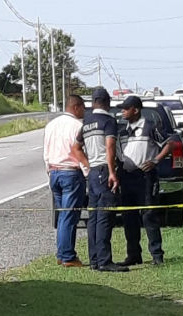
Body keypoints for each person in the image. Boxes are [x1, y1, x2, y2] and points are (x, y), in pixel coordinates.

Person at [116, 96, 175, 266]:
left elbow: (169, 143)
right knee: (129, 218)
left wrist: (155, 160)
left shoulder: (149, 126)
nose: (122, 112)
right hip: (127, 177)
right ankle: (133, 255)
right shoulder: (122, 131)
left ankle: (157, 255)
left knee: (149, 216)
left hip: (145, 177)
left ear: (136, 110)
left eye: (125, 109)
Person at [75, 88, 128, 272]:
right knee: (105, 216)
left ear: (93, 102)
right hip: (105, 171)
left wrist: (87, 165)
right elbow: (110, 146)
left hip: (93, 173)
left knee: (94, 218)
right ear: (107, 102)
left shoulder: (87, 122)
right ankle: (105, 261)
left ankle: (95, 260)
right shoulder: (108, 121)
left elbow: (76, 148)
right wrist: (112, 172)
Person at [43, 95, 89, 267]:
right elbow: (79, 151)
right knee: (69, 216)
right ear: (76, 107)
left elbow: (46, 151)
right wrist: (87, 172)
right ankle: (67, 255)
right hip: (70, 172)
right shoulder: (78, 126)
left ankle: (63, 253)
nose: (84, 112)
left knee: (63, 215)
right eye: (83, 108)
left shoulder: (51, 125)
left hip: (54, 172)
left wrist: (49, 170)